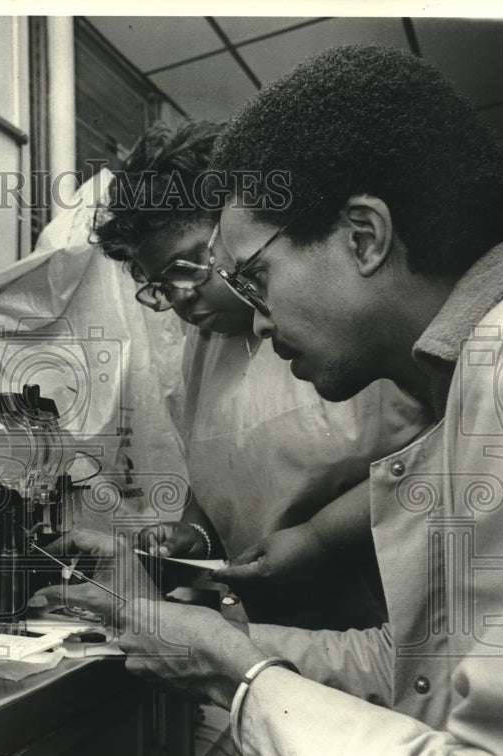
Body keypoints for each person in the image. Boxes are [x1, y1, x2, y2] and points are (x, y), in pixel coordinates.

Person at [44, 44, 503, 756]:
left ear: (363, 238)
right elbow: (417, 672)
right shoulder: (476, 369)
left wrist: (236, 666)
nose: (263, 327)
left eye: (254, 276)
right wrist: (211, 643)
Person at [91, 120, 429, 630]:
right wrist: (195, 534)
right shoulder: (203, 346)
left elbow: (439, 454)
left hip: (390, 612)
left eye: (187, 266)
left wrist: (322, 537)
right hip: (279, 631)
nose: (179, 297)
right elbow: (218, 466)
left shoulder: (344, 315)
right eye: (159, 283)